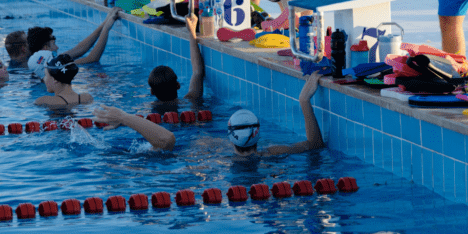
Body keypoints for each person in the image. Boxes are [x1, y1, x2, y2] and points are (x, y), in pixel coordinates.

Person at [95, 72, 323, 154]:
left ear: (230, 134)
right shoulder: (273, 152)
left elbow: (167, 140)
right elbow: (313, 144)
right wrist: (304, 100)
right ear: (257, 134)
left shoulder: (209, 151)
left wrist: (125, 118)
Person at [25, 7, 120, 68]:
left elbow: (80, 49)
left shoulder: (45, 62)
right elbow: (92, 59)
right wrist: (106, 29)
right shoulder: (55, 66)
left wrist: (104, 23)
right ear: (45, 48)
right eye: (54, 44)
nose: (57, 47)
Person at [147, 14, 205, 108]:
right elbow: (197, 72)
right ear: (178, 85)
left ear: (151, 92)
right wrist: (192, 32)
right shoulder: (190, 100)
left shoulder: (149, 108)